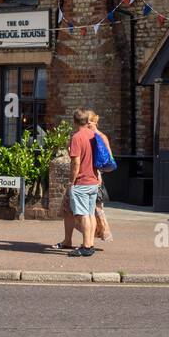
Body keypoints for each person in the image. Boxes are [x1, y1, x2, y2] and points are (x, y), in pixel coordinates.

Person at [59, 108, 99, 257]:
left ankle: (86, 247)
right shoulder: (93, 135)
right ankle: (90, 244)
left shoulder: (77, 137)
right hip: (93, 181)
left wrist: (72, 181)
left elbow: (75, 163)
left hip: (82, 181)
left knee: (82, 215)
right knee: (90, 214)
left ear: (74, 121)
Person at [89, 111, 114, 243]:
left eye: (90, 122)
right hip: (88, 176)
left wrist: (99, 171)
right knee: (91, 210)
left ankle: (102, 233)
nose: (87, 124)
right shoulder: (87, 136)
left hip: (96, 176)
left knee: (96, 209)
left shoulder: (101, 136)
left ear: (95, 122)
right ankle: (90, 239)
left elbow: (109, 158)